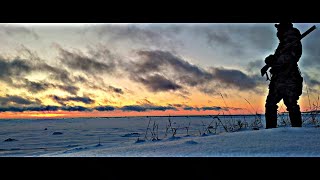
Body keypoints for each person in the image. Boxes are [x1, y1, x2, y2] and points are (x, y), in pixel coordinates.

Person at [263, 22, 303, 129]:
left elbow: (289, 59)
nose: (277, 32)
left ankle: (297, 132)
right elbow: (281, 57)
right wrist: (271, 60)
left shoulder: (291, 39)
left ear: (283, 29)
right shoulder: (284, 42)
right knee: (272, 104)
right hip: (280, 78)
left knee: (290, 104)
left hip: (288, 79)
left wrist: (273, 62)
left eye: (278, 29)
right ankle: (271, 132)